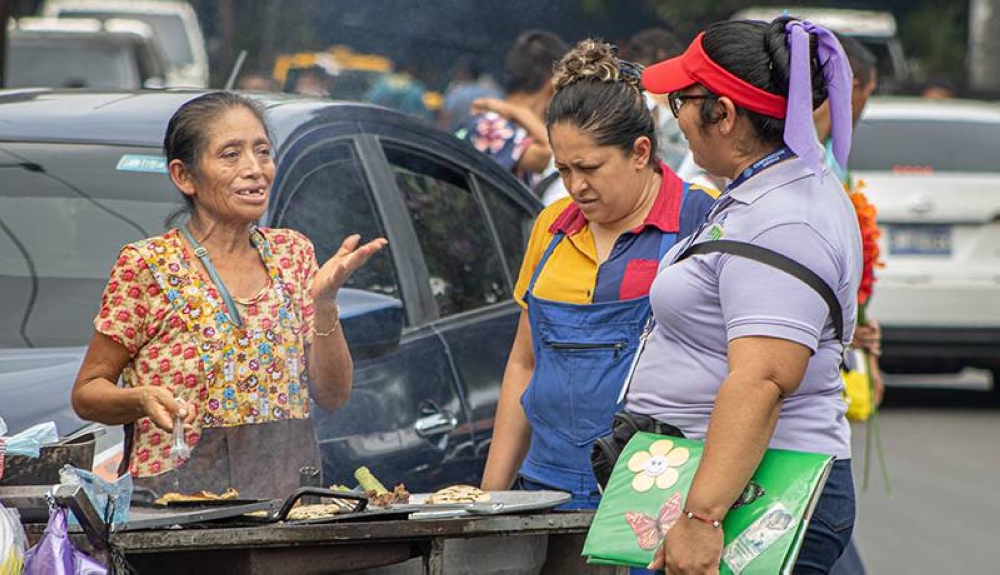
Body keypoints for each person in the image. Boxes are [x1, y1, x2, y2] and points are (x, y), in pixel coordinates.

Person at [629, 16, 862, 574]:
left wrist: (702, 519)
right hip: (726, 479)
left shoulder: (784, 223)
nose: (673, 117)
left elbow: (763, 378)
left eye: (682, 100)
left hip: (754, 492)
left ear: (725, 114)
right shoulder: (769, 191)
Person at [71, 92, 387, 499]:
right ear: (185, 176)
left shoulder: (293, 253)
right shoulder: (148, 265)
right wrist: (141, 399)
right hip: (176, 507)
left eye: (262, 152)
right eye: (231, 155)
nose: (254, 169)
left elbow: (332, 395)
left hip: (286, 499)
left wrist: (325, 306)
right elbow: (88, 392)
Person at [481, 39, 718, 511]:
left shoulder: (699, 220)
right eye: (564, 169)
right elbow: (524, 363)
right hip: (543, 489)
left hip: (654, 494)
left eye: (589, 168)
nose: (575, 186)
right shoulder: (551, 227)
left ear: (640, 151)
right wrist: (489, 497)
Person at [455, 30, 567, 187]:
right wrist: (521, 113)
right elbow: (552, 158)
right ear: (552, 85)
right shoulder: (490, 125)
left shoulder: (512, 123)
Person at [438, 56, 502, 132]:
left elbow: (444, 121)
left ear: (464, 73)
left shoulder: (456, 93)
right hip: (486, 139)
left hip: (457, 140)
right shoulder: (494, 92)